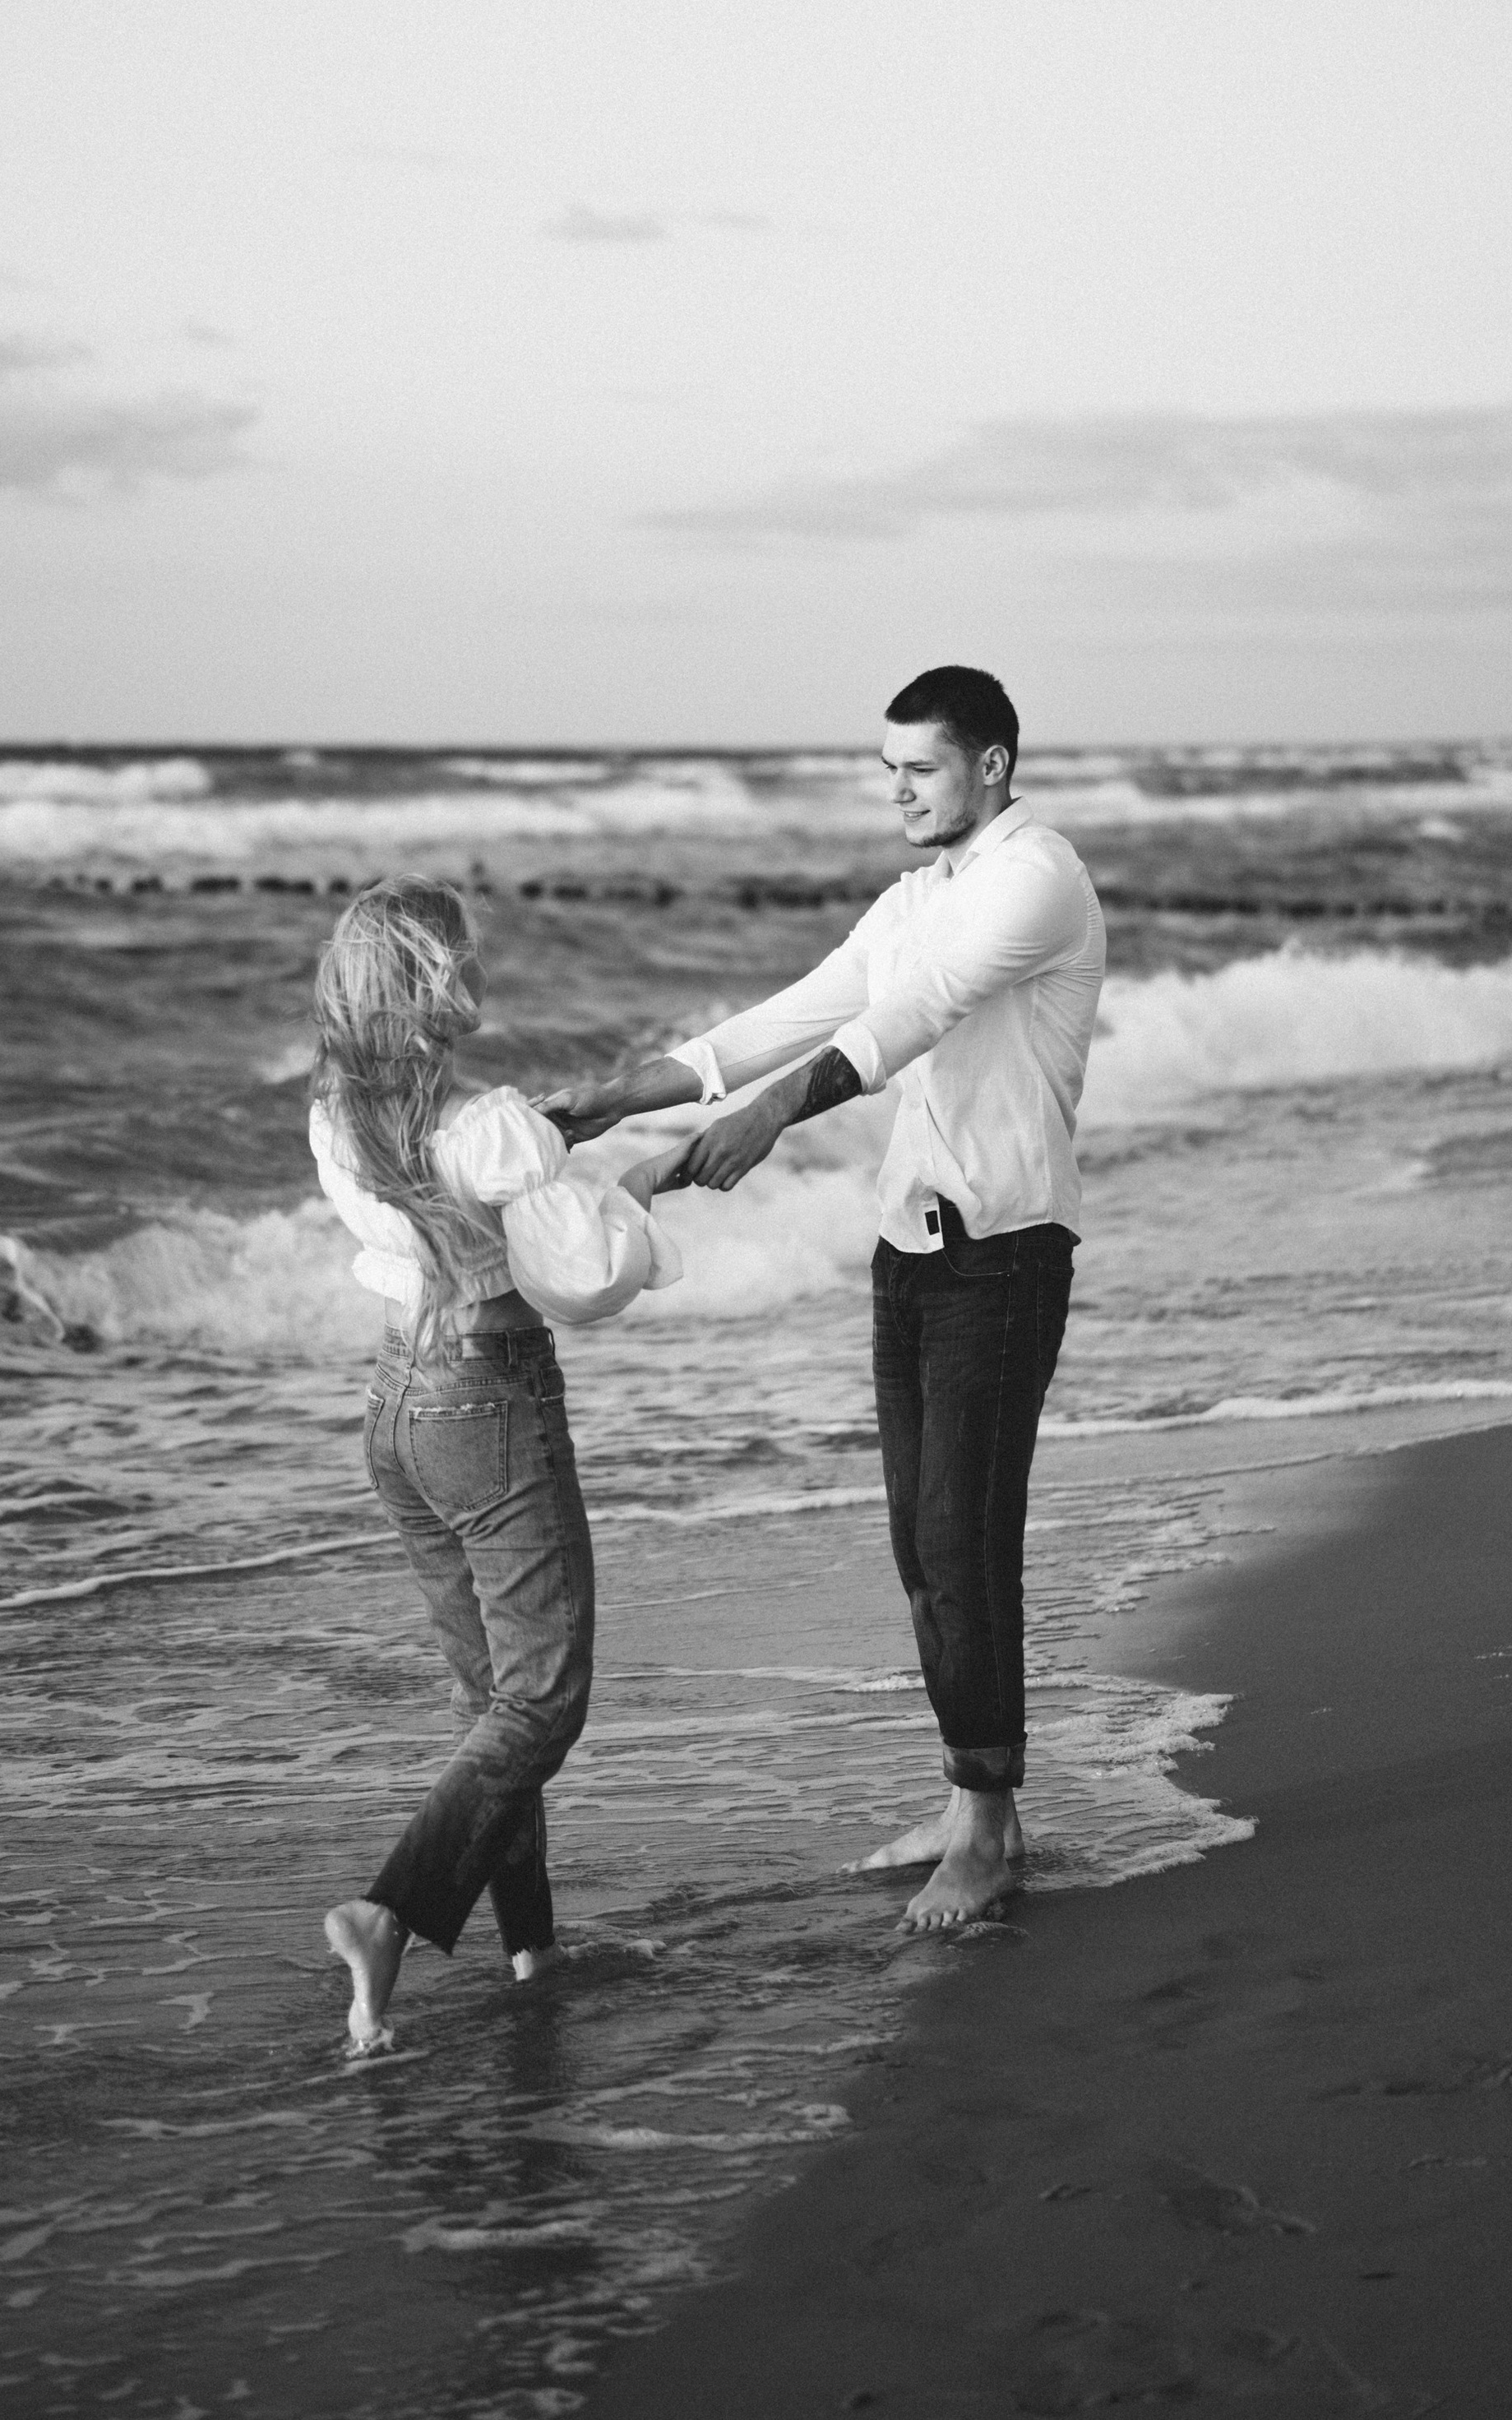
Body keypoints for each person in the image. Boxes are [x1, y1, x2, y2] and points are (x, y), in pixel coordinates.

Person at [546, 666, 1105, 1932]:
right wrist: (618, 1097)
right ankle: (970, 1801)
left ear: (995, 766)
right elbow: (790, 1014)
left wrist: (768, 1119)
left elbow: (913, 1017)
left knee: (966, 1536)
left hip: (1006, 1253)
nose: (897, 789)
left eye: (921, 766)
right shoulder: (916, 897)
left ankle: (993, 1825)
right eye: (888, 768)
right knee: (921, 1540)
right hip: (911, 1249)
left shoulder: (1037, 877)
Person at [313, 875, 685, 2051]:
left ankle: (534, 1951)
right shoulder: (487, 1125)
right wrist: (630, 1182)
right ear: (433, 976)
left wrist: (555, 1142)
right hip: (489, 1403)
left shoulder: (338, 1115)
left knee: (491, 1707)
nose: (483, 965)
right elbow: (587, 1278)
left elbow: (454, 1192)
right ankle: (390, 1910)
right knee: (542, 1701)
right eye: (465, 950)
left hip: (397, 1410)